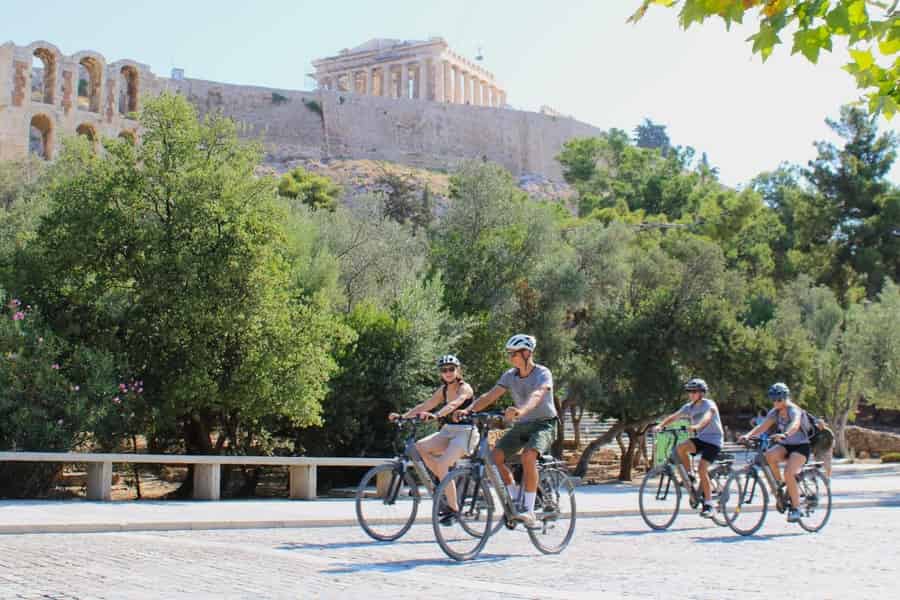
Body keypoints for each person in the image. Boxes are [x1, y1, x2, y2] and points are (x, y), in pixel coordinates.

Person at [456, 334, 557, 529]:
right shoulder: (510, 375)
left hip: (544, 423)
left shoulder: (542, 373)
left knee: (529, 457)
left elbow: (538, 395)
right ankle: (513, 502)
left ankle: (529, 510)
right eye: (509, 354)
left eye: (514, 354)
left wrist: (520, 411)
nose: (510, 358)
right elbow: (490, 395)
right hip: (522, 425)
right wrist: (468, 411)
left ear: (527, 353)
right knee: (495, 458)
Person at [389, 354, 477, 524]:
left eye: (451, 369)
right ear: (441, 374)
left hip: (466, 432)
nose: (448, 373)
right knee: (419, 447)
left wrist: (436, 415)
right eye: (444, 370)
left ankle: (453, 509)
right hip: (448, 430)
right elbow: (424, 405)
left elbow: (454, 405)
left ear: (458, 370)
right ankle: (444, 480)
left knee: (443, 464)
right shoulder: (443, 390)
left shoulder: (465, 388)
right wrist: (403, 417)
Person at [740, 382, 810, 523]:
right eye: (773, 399)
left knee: (789, 472)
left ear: (785, 397)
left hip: (800, 446)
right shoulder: (775, 412)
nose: (776, 402)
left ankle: (796, 509)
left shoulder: (793, 410)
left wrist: (785, 434)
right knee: (769, 456)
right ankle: (781, 485)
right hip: (785, 445)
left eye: (779, 399)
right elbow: (763, 426)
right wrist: (747, 435)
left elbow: (795, 424)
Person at [654, 378, 724, 519]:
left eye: (694, 391)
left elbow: (707, 417)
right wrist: (661, 425)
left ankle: (709, 504)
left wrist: (697, 426)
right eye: (689, 391)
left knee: (702, 468)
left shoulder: (709, 404)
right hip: (701, 439)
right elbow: (674, 416)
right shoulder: (689, 407)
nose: (691, 394)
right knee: (680, 448)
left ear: (702, 393)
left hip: (714, 440)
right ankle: (689, 475)